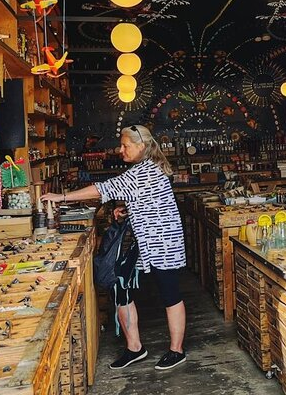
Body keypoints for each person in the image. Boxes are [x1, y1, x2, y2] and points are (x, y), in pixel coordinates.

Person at [42, 125, 187, 371]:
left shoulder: (144, 171)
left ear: (141, 146)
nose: (121, 150)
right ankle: (135, 347)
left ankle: (177, 351)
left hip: (163, 242)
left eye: (125, 146)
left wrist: (61, 197)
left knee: (170, 293)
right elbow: (147, 200)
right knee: (120, 282)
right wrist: (129, 209)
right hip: (146, 240)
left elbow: (103, 189)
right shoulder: (143, 169)